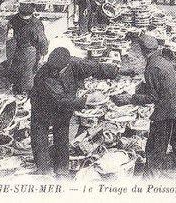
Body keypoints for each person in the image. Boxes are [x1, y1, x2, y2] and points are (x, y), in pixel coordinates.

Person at [111, 35, 176, 178]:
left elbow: (153, 98)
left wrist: (129, 98)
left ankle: (147, 185)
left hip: (166, 115)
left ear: (143, 50)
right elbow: (164, 86)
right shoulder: (163, 61)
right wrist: (143, 86)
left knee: (154, 151)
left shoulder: (151, 67)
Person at [30, 47, 119, 176]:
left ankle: (62, 171)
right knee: (40, 139)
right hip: (42, 109)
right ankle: (44, 173)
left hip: (63, 109)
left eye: (57, 70)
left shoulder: (75, 64)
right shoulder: (44, 76)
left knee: (61, 136)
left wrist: (115, 71)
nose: (54, 72)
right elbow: (61, 99)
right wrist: (87, 100)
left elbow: (95, 67)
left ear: (67, 65)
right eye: (52, 69)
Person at [8, 3, 49, 94]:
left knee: (20, 71)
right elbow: (42, 40)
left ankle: (19, 90)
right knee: (27, 73)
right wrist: (44, 52)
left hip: (19, 49)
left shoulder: (14, 19)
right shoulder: (36, 23)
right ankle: (25, 92)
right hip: (28, 51)